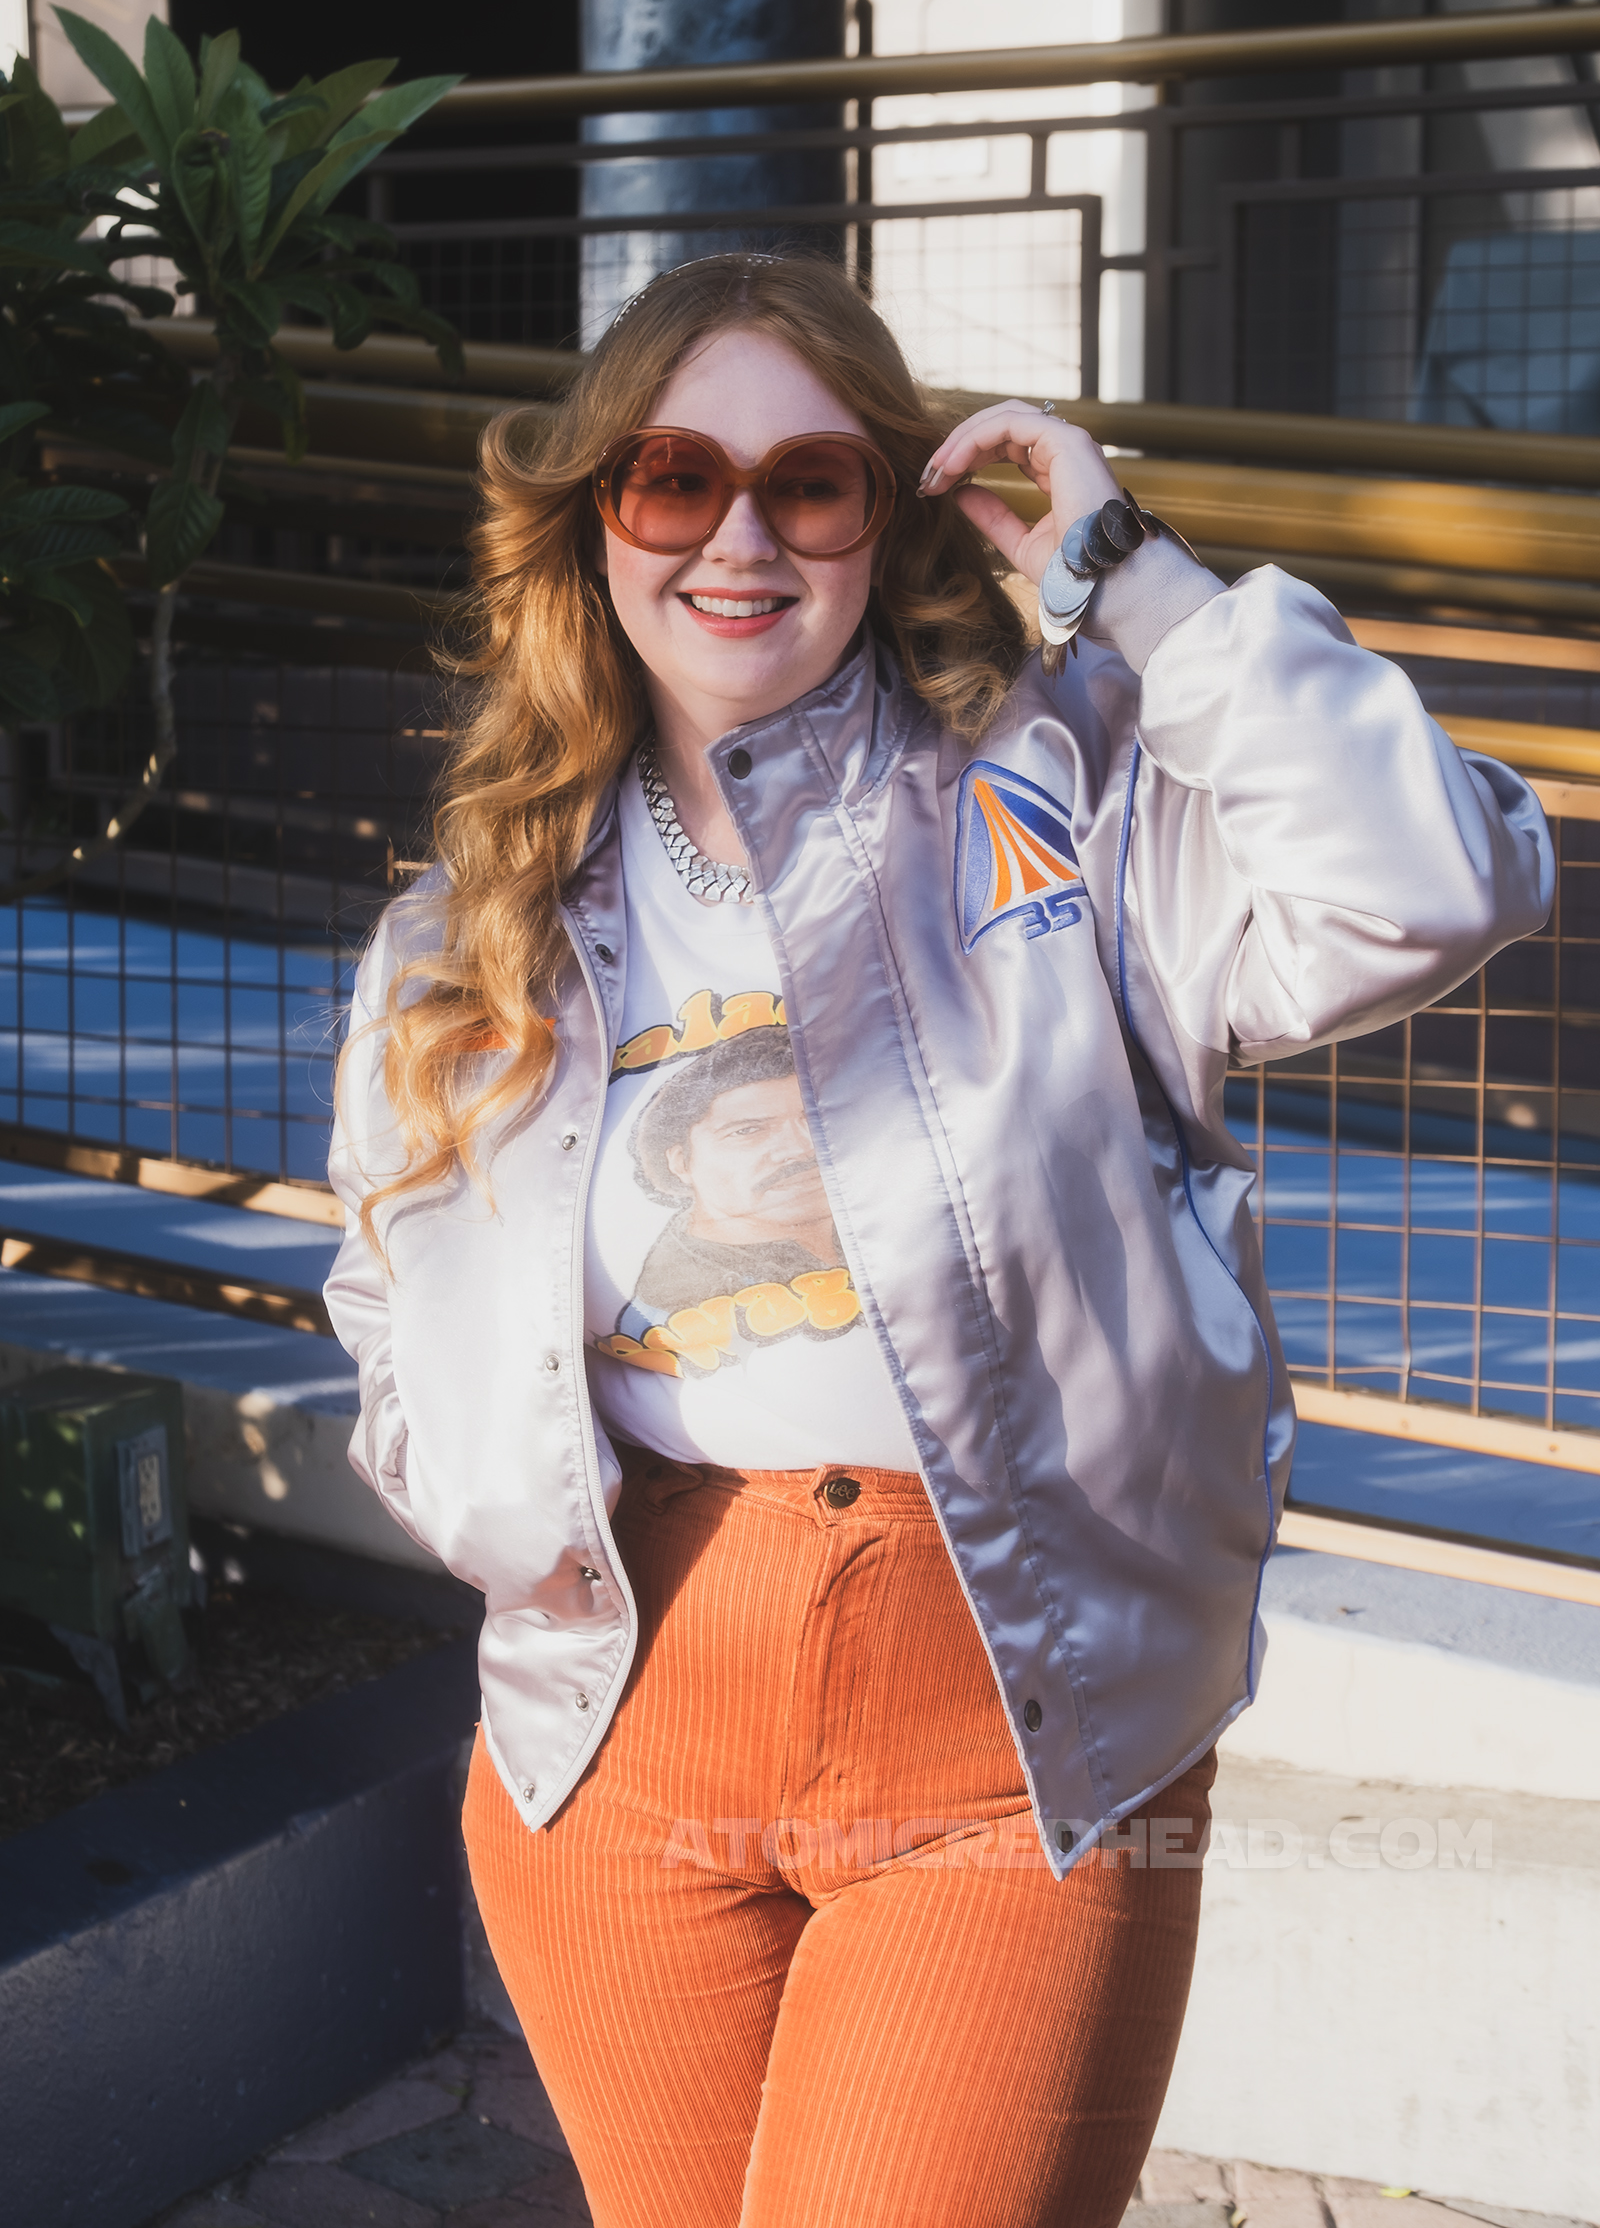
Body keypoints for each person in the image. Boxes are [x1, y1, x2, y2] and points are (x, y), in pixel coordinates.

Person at [326, 251, 1551, 2228]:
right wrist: (478, 1494)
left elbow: (1431, 878)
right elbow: (392, 1299)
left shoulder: (1057, 803)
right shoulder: (474, 922)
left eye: (806, 483)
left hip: (1008, 1741)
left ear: (877, 519)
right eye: (672, 479)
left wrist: (1126, 577)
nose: (738, 535)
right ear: (594, 521)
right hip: (613, 1744)